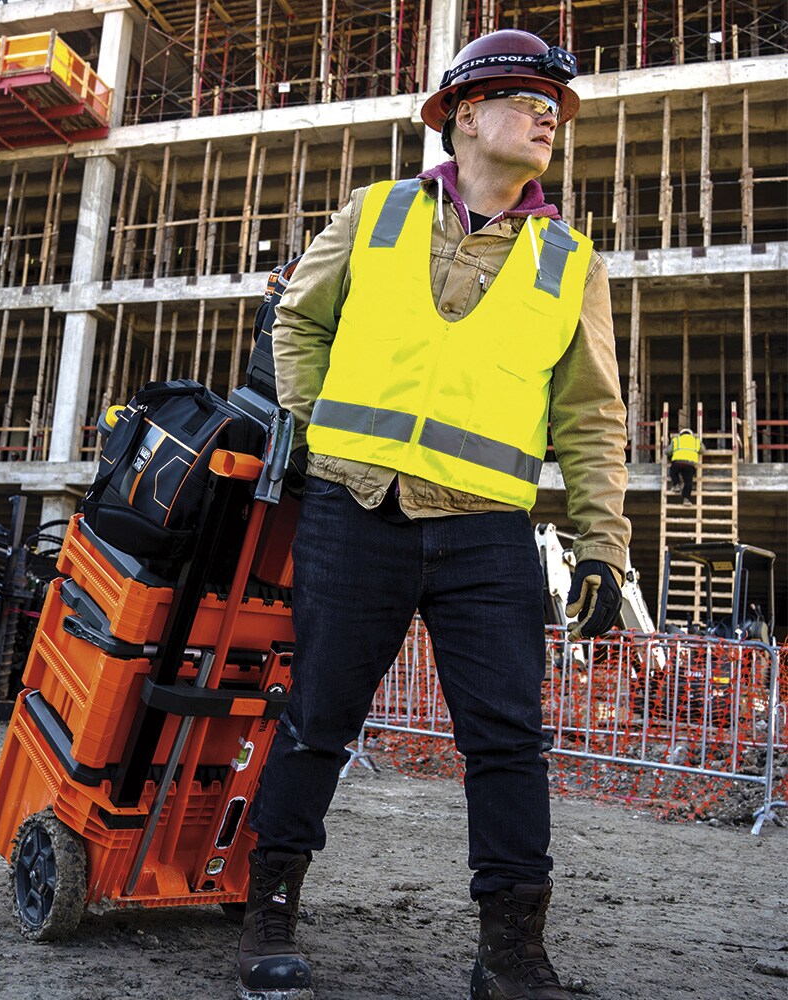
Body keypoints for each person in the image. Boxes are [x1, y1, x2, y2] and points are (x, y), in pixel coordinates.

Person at [234, 28, 631, 1000]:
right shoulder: (374, 216)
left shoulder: (568, 261)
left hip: (486, 532)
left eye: (555, 107)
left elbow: (590, 415)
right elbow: (298, 318)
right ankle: (269, 916)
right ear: (461, 114)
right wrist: (311, 429)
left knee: (506, 741)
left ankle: (510, 955)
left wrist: (600, 550)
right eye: (527, 96)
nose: (548, 115)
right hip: (354, 508)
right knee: (318, 717)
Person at [666, 427, 702, 506]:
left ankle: (676, 485)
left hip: (678, 462)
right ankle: (686, 499)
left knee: (673, 472)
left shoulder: (676, 440)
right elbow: (703, 450)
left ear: (681, 434)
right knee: (688, 482)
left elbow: (667, 451)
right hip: (690, 464)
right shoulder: (696, 440)